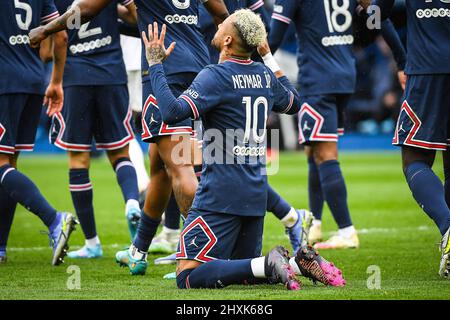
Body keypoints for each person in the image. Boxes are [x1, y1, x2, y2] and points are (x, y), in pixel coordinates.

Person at [117, 10, 345, 291]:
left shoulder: (215, 76)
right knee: (244, 273)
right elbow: (295, 102)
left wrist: (156, 65)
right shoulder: (263, 74)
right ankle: (298, 263)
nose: (218, 20)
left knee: (187, 276)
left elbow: (172, 112)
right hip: (255, 196)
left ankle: (269, 262)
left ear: (227, 39)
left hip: (220, 194)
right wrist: (269, 57)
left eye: (223, 22)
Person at [29, 0, 230, 264]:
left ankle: (198, 255)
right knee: (159, 166)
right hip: (199, 66)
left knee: (181, 166)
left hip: (164, 69)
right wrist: (225, 58)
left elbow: (87, 9)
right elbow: (223, 15)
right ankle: (140, 249)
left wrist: (45, 30)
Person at [268, 0, 406, 249]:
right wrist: (402, 60)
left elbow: (274, 38)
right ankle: (316, 222)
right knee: (314, 149)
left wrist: (255, 67)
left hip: (317, 79)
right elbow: (378, 16)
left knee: (324, 153)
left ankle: (346, 231)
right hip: (344, 75)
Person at [50, 0, 141, 259]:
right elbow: (136, 18)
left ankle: (92, 243)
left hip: (77, 78)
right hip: (112, 74)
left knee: (78, 159)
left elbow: (58, 39)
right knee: (120, 154)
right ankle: (133, 202)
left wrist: (55, 79)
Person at [375, 0, 450, 279]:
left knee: (415, 160)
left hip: (426, 72)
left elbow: (376, 14)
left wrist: (401, 59)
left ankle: (448, 227)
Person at [0, 0, 77, 265]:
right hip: (32, 82)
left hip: (4, 83)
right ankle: (0, 247)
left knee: (1, 167)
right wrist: (56, 81)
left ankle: (55, 220)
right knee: (9, 165)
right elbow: (61, 34)